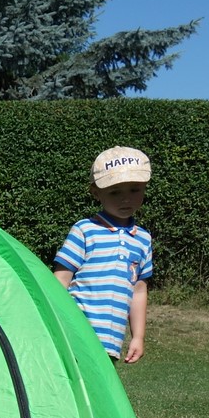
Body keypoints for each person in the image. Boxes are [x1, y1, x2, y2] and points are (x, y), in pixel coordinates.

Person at [54, 146, 153, 363]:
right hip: (74, 335)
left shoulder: (143, 239)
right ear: (96, 193)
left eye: (134, 190)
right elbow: (60, 280)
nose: (125, 199)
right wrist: (54, 321)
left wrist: (138, 336)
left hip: (111, 344)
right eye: (115, 192)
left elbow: (138, 290)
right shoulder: (84, 230)